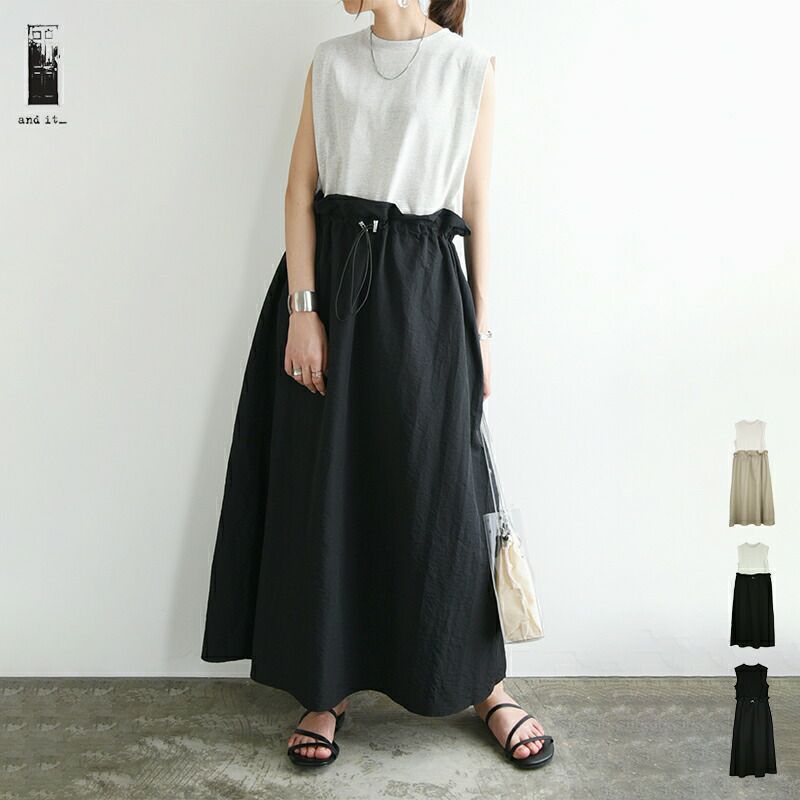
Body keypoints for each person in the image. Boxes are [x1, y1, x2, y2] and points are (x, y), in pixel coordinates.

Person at [201, 0, 555, 770]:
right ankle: (324, 688)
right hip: (330, 293)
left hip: (426, 299)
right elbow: (300, 190)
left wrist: (481, 334)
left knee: (442, 491)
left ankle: (483, 684)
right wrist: (303, 311)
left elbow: (477, 206)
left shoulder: (470, 68)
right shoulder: (330, 62)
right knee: (327, 492)